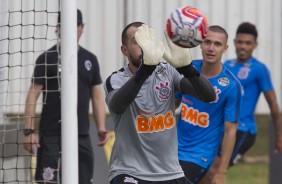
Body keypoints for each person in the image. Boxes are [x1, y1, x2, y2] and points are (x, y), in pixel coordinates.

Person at [104, 22, 216, 184]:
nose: (143, 46)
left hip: (171, 173)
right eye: (137, 41)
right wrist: (145, 70)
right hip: (130, 172)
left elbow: (208, 96)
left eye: (147, 40)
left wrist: (187, 68)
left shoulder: (167, 72)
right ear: (124, 50)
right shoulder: (117, 80)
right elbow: (117, 105)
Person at [23, 9, 108, 184]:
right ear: (58, 28)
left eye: (76, 25)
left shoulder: (90, 59)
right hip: (51, 134)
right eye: (65, 25)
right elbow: (32, 96)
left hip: (81, 134)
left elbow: (97, 96)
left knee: (84, 180)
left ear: (82, 28)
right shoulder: (46, 58)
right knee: (47, 181)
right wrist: (29, 131)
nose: (71, 29)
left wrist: (101, 126)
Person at [205, 22, 282, 183]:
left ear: (255, 45)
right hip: (220, 127)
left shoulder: (259, 69)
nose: (243, 46)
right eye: (240, 42)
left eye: (248, 43)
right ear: (233, 43)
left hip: (243, 130)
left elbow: (273, 104)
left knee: (214, 171)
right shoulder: (225, 66)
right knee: (203, 170)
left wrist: (279, 135)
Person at [176, 26, 241, 184]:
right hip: (172, 148)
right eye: (207, 42)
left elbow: (230, 131)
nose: (211, 48)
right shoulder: (187, 69)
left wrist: (222, 172)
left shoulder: (231, 85)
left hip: (199, 156)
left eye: (217, 44)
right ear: (200, 44)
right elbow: (172, 104)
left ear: (225, 49)